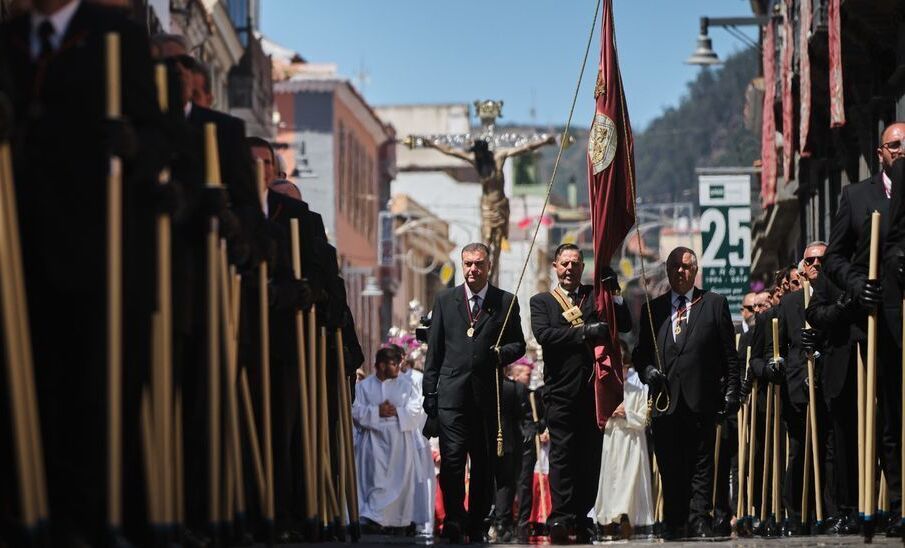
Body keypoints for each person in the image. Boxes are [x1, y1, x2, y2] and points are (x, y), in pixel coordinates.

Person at [1, 1, 167, 544]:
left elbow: (155, 132)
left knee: (90, 383)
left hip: (97, 240)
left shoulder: (113, 34)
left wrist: (133, 146)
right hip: (19, 233)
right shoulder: (9, 40)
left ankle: (87, 515)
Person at [824, 121, 905, 537]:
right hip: (880, 321)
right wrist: (860, 286)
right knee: (889, 415)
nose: (902, 151)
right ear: (880, 152)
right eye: (895, 145)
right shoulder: (855, 197)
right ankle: (896, 505)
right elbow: (834, 259)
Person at [422, 242, 527, 543]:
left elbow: (518, 344)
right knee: (453, 461)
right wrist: (431, 397)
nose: (472, 269)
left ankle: (478, 521)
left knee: (483, 465)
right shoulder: (445, 300)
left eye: (478, 264)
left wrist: (500, 353)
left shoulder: (505, 302)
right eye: (467, 264)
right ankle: (455, 518)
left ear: (488, 266)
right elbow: (435, 353)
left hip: (486, 398)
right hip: (452, 397)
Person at [529, 243, 631, 544]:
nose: (570, 268)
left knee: (589, 457)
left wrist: (615, 294)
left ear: (582, 267)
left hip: (592, 391)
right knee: (562, 457)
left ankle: (584, 515)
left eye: (575, 263)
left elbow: (623, 325)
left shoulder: (593, 297)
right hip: (560, 391)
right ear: (556, 267)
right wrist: (583, 332)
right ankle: (561, 516)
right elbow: (545, 335)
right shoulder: (542, 301)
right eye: (565, 263)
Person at [634, 246, 739, 539]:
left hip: (702, 399)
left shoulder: (714, 303)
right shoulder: (652, 310)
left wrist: (732, 392)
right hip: (666, 401)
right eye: (676, 266)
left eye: (687, 266)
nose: (681, 271)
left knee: (701, 464)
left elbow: (729, 355)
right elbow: (641, 354)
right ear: (668, 271)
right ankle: (675, 518)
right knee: (670, 464)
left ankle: (698, 519)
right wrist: (648, 373)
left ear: (695, 270)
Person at [774, 242, 831, 535]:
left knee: (830, 450)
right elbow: (778, 348)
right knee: (798, 451)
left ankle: (831, 512)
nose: (816, 265)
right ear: (803, 266)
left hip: (831, 385)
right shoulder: (789, 304)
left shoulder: (837, 296)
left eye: (822, 260)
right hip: (798, 389)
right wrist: (778, 364)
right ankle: (795, 512)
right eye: (811, 260)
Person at [352, 348, 426, 530]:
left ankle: (396, 521)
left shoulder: (406, 386)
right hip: (373, 442)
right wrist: (376, 412)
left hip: (399, 440)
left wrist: (397, 412)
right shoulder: (363, 387)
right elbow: (354, 411)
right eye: (394, 365)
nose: (398, 369)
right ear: (381, 365)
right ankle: (372, 518)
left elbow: (416, 409)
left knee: (398, 480)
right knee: (375, 480)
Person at [594, 352, 653, 539]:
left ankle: (627, 517)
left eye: (624, 367)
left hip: (631, 442)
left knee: (629, 480)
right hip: (612, 440)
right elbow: (599, 417)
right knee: (612, 480)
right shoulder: (606, 389)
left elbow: (644, 418)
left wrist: (627, 413)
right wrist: (609, 413)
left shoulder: (639, 389)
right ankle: (609, 519)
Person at [490, 366, 531, 542]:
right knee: (505, 483)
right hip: (508, 439)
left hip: (491, 438)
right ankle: (501, 521)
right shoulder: (514, 388)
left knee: (494, 481)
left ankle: (493, 520)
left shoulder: (484, 386)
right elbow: (520, 415)